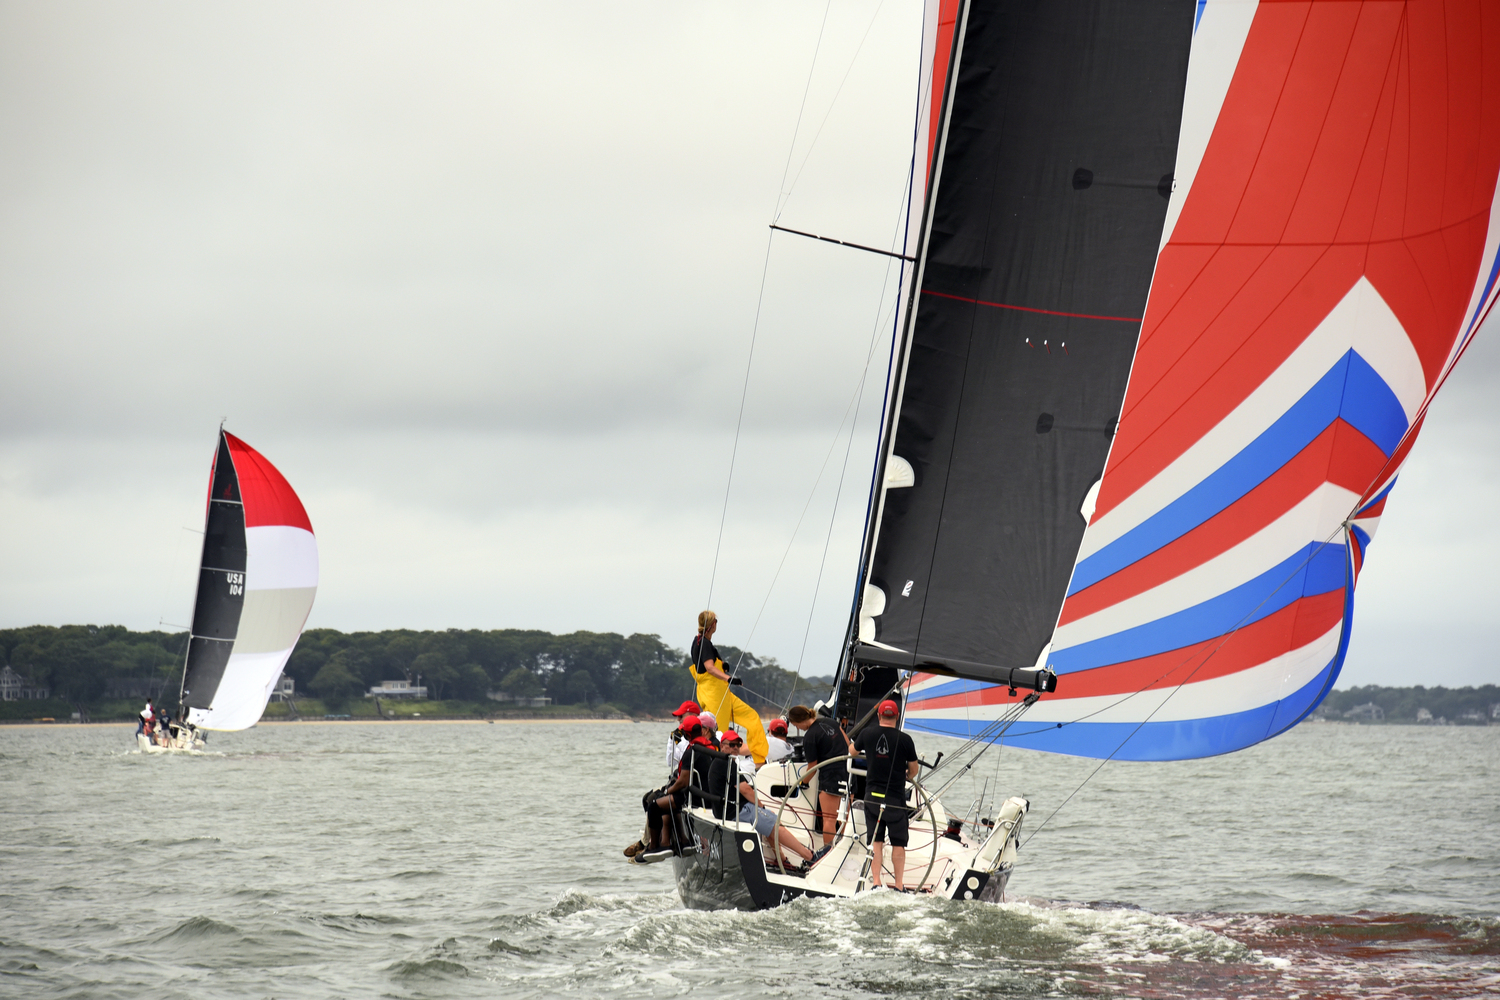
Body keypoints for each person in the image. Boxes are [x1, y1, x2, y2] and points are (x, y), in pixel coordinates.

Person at [714, 729, 815, 871]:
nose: (735, 748)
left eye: (738, 744)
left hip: (727, 810)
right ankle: (810, 856)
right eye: (731, 745)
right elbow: (745, 790)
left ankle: (781, 860)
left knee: (768, 820)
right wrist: (761, 807)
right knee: (774, 823)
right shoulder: (728, 763)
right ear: (722, 745)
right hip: (736, 810)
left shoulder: (720, 761)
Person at [853, 699, 920, 891]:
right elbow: (913, 769)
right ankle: (898, 885)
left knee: (877, 841)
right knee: (899, 842)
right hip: (895, 799)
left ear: (878, 715)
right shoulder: (905, 739)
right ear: (897, 717)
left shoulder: (867, 733)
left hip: (872, 797)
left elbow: (851, 751)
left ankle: (876, 882)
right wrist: (907, 775)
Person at [689, 611, 770, 765]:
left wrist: (723, 665)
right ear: (713, 625)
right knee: (720, 735)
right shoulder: (702, 643)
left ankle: (759, 761)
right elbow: (709, 668)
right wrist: (729, 678)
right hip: (713, 695)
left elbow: (712, 664)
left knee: (752, 718)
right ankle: (716, 767)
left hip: (724, 694)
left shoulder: (704, 642)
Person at [789, 704, 853, 850]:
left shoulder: (810, 737)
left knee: (829, 820)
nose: (798, 728)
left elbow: (812, 766)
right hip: (849, 773)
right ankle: (846, 850)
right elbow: (847, 743)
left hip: (831, 776)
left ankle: (828, 853)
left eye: (795, 725)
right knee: (846, 819)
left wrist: (802, 783)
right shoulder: (830, 722)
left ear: (799, 721)